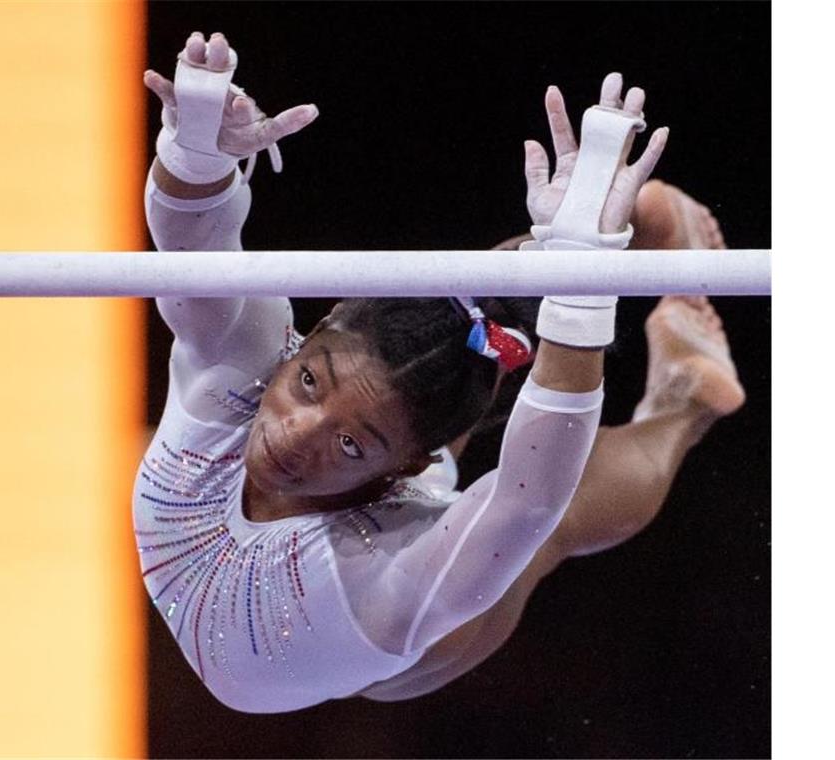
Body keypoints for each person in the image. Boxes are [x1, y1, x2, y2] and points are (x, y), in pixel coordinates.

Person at [134, 31, 745, 712]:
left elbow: (531, 496)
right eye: (309, 383)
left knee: (549, 522)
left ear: (408, 468)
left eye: (349, 444)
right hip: (372, 488)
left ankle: (685, 399)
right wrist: (194, 155)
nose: (296, 435)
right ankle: (592, 234)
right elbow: (193, 250)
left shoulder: (387, 580)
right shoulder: (240, 372)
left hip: (386, 642)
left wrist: (586, 288)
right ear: (313, 332)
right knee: (459, 323)